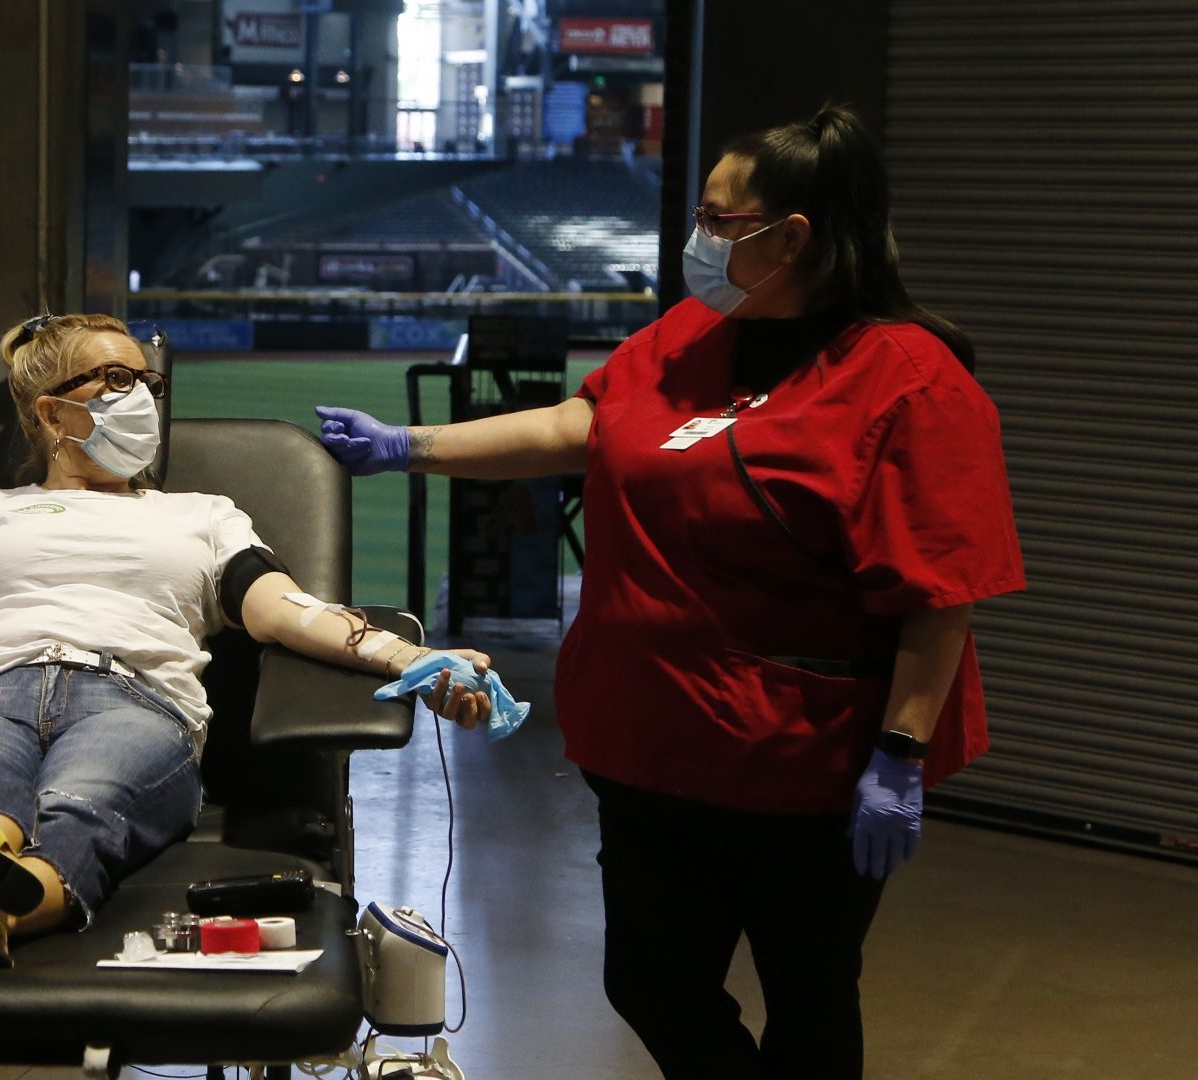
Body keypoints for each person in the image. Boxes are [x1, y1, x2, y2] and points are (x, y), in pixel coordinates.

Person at [314, 105, 1024, 1079]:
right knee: (648, 983)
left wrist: (898, 755)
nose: (696, 238)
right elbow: (581, 423)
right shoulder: (695, 332)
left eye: (716, 219)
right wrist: (408, 449)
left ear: (792, 236)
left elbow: (939, 596)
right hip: (650, 747)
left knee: (810, 995)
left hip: (799, 768)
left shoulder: (908, 384)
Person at [0, 312, 494, 967]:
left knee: (86, 797)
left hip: (134, 697)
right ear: (51, 414)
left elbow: (287, 610)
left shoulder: (204, 515)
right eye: (116, 379)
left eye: (147, 383)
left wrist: (413, 659)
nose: (142, 399)